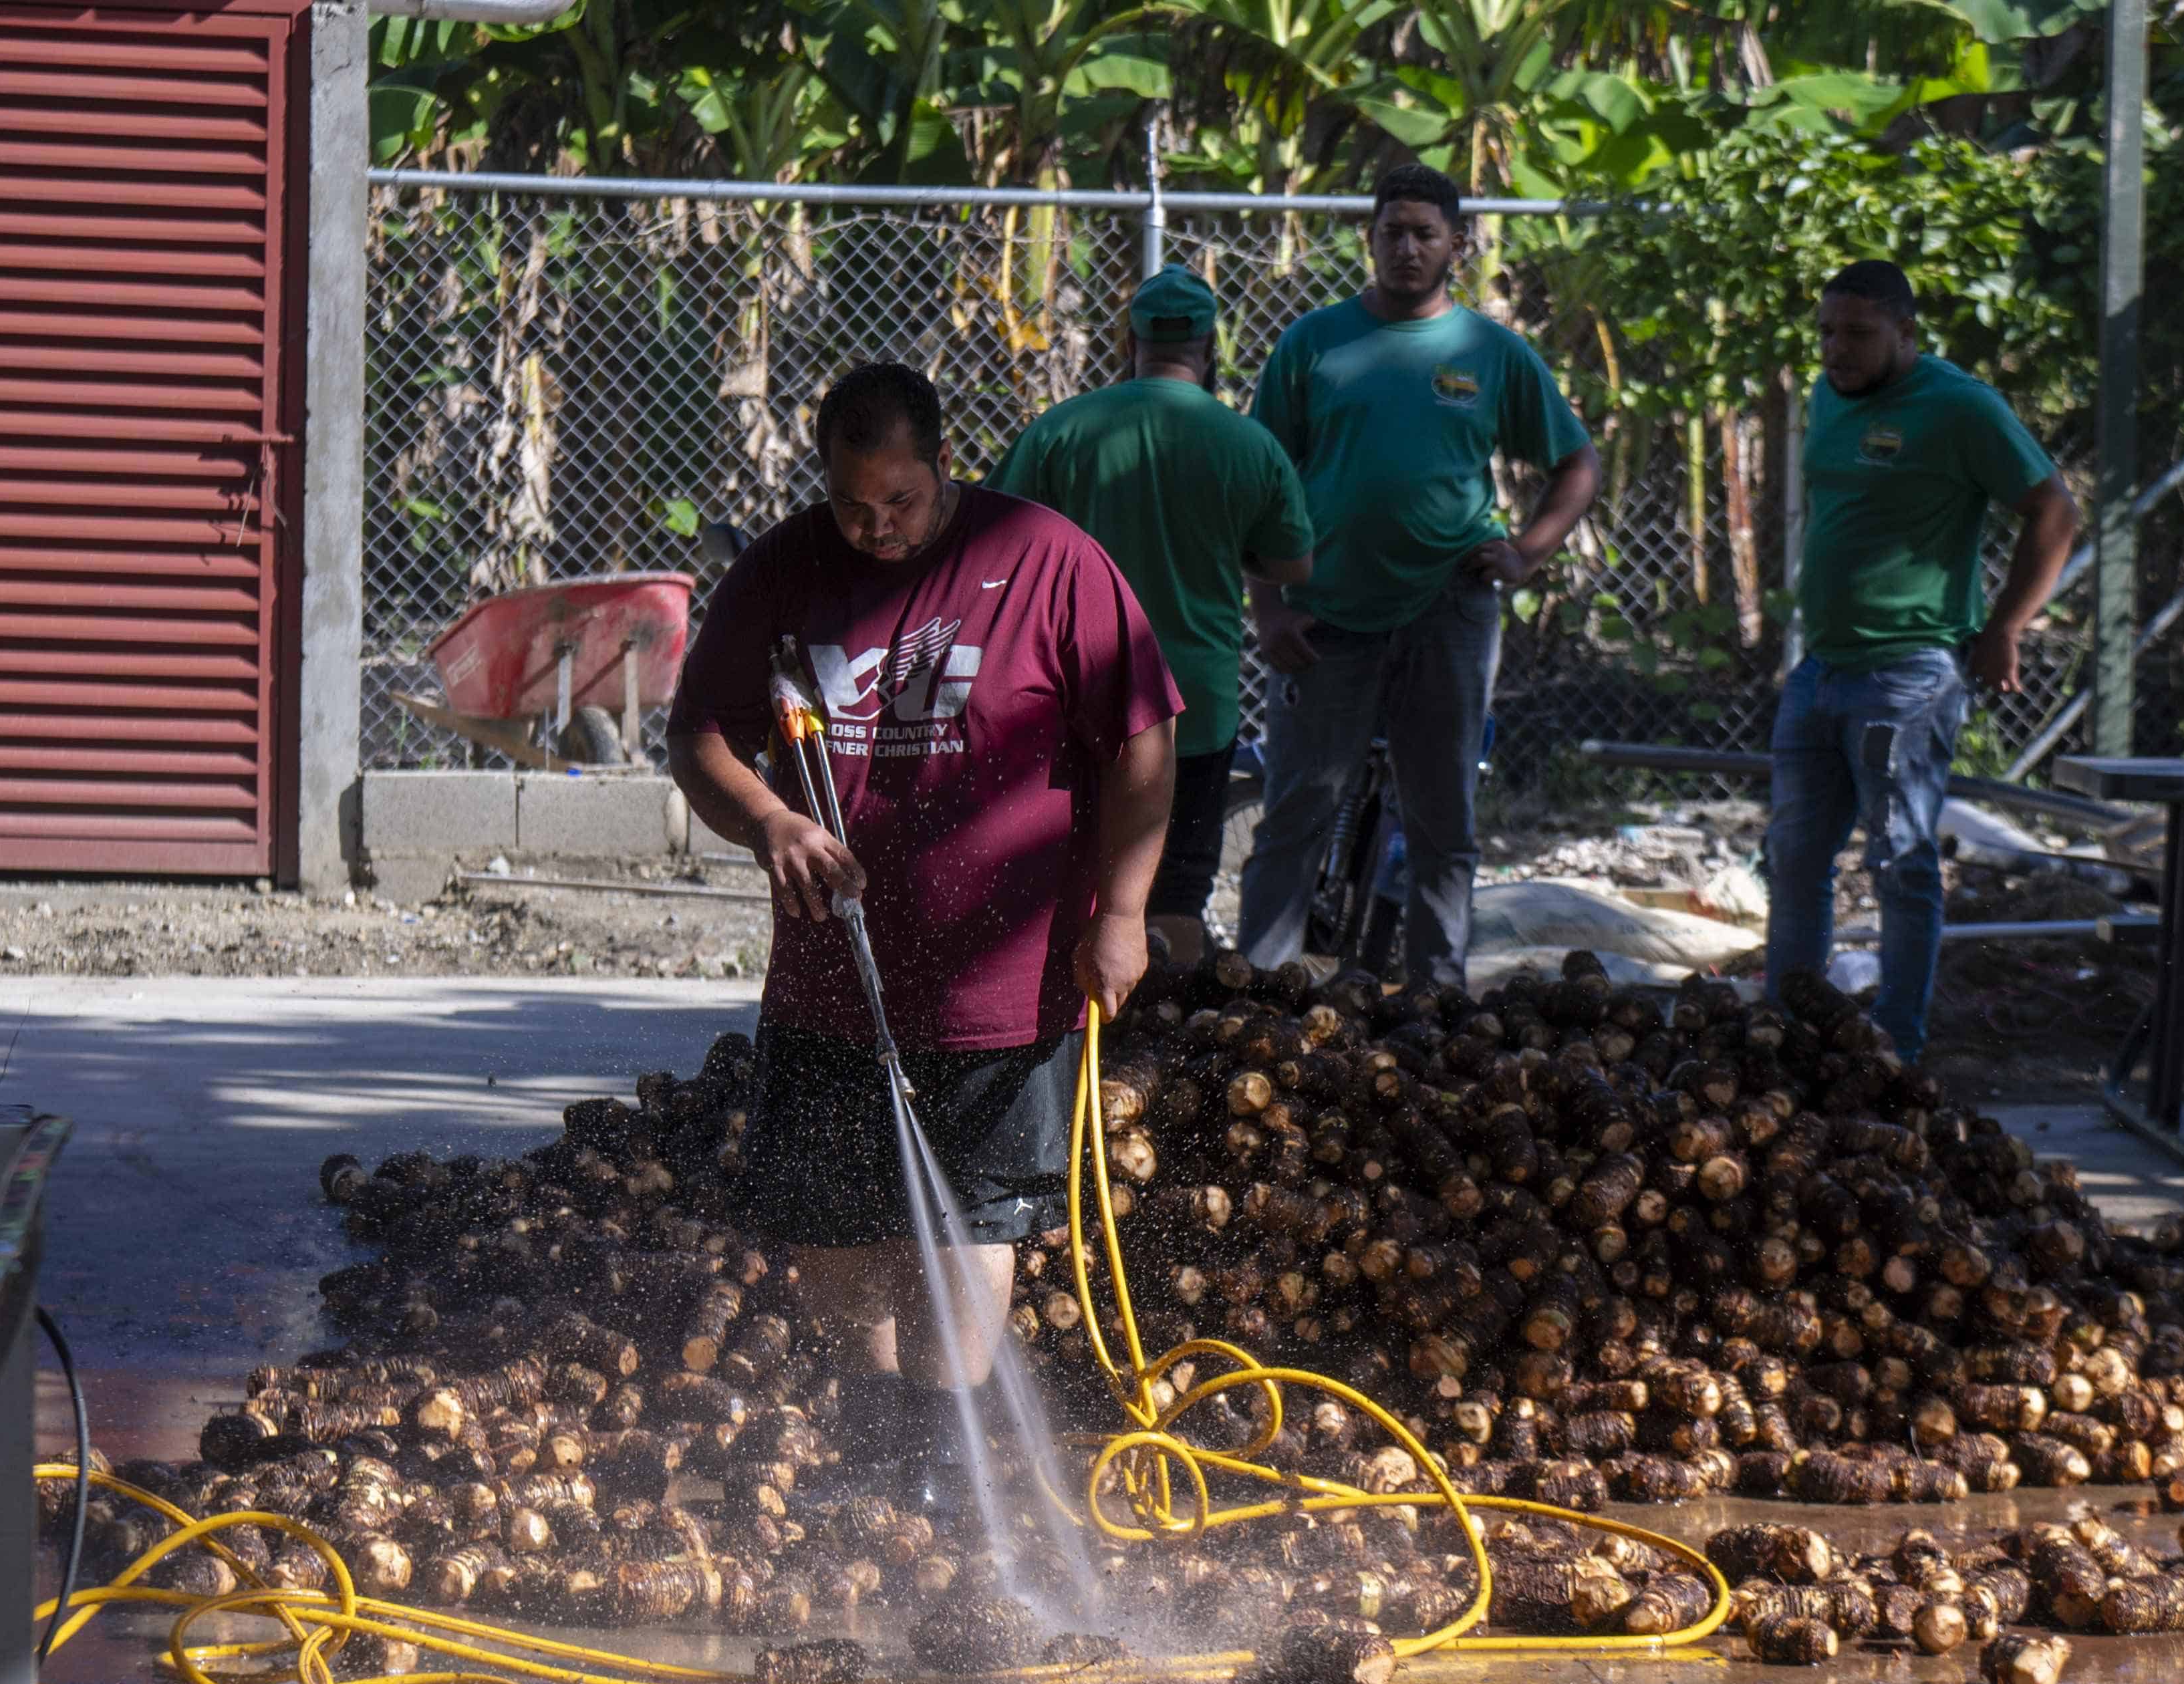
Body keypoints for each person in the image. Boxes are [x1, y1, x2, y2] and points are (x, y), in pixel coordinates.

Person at [668, 362, 1180, 1504]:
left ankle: (944, 1451)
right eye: (855, 505)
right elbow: (698, 733)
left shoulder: (1050, 560)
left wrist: (1128, 912)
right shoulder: (787, 570)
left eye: (900, 501)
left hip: (1003, 970)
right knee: (833, 1218)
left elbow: (1146, 744)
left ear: (943, 465)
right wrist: (770, 821)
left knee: (971, 1216)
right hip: (829, 968)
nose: (879, 528)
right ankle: (875, 1419)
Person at [1237, 163, 1601, 990]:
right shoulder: (1312, 344)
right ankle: (1257, 1000)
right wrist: (1268, 608)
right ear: (1369, 240)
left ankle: (1437, 1004)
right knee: (1296, 812)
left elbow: (1576, 463)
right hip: (1325, 618)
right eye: (1391, 231)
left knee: (1441, 821)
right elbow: (1262, 482)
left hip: (1448, 610)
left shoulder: (1490, 352)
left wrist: (1527, 553)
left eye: (1424, 233)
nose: (1406, 247)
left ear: (1456, 246)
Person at [1765, 259, 2081, 1062]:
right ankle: (1787, 1033)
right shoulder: (1830, 393)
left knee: (1901, 861)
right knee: (1795, 860)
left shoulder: (1960, 408)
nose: (1838, 350)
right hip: (1820, 672)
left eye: (1859, 334)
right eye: (1827, 332)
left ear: (1907, 333)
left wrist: (2007, 623)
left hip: (1904, 678)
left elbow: (2054, 508)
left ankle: (1895, 1044)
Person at [990, 265, 1315, 968]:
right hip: (1193, 704)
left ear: (1129, 341)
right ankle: (1162, 1054)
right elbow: (1292, 565)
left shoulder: (1062, 431)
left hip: (1073, 698)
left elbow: (994, 541)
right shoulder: (1248, 445)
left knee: (1067, 878)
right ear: (1209, 346)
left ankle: (1056, 1043)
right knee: (1179, 887)